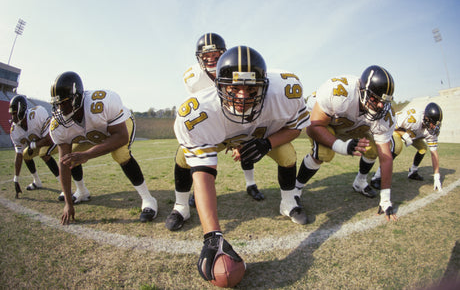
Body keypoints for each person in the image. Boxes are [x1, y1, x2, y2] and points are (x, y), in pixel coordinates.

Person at [172, 45, 309, 281]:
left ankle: (288, 203)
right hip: (222, 138)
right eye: (234, 88)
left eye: (251, 88)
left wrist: (267, 143)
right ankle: (181, 206)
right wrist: (212, 236)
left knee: (287, 154)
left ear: (264, 85)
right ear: (219, 85)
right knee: (184, 158)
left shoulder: (285, 92)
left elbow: (296, 128)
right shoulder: (198, 113)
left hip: (261, 136)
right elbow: (204, 173)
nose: (243, 96)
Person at [49, 71, 158, 225]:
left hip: (119, 126)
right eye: (57, 104)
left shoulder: (101, 102)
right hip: (94, 134)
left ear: (77, 97)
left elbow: (121, 137)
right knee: (69, 157)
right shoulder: (57, 124)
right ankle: (81, 191)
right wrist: (68, 202)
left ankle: (148, 199)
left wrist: (86, 154)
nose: (61, 108)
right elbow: (63, 163)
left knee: (120, 154)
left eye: (65, 102)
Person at [295, 65, 398, 221]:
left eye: (384, 101)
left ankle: (360, 182)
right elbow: (313, 127)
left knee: (374, 150)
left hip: (351, 126)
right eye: (375, 99)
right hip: (323, 121)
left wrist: (385, 198)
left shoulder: (385, 114)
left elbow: (386, 157)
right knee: (324, 153)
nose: (380, 106)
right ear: (362, 91)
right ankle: (296, 188)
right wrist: (341, 147)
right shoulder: (340, 93)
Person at [178, 33, 264, 212]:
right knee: (194, 158)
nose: (210, 60)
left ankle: (251, 184)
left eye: (215, 56)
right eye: (206, 56)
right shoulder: (193, 78)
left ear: (223, 54)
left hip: (239, 117)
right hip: (213, 123)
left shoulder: (236, 68)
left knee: (247, 148)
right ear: (199, 58)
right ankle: (194, 193)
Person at [8, 95, 86, 200]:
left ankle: (69, 189)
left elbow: (49, 139)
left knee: (44, 153)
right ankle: (37, 181)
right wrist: (16, 179)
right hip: (40, 142)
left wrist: (32, 145)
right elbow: (18, 155)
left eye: (14, 113)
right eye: (11, 114)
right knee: (25, 155)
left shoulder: (36, 114)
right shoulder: (14, 130)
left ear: (21, 111)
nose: (12, 118)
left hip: (54, 137)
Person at [370, 102, 443, 191]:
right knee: (397, 147)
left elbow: (434, 153)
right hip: (395, 128)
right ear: (426, 118)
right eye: (433, 123)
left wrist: (436, 177)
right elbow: (392, 124)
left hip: (411, 134)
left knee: (423, 149)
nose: (434, 127)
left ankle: (413, 172)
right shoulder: (413, 118)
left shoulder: (431, 131)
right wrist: (403, 134)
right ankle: (377, 177)